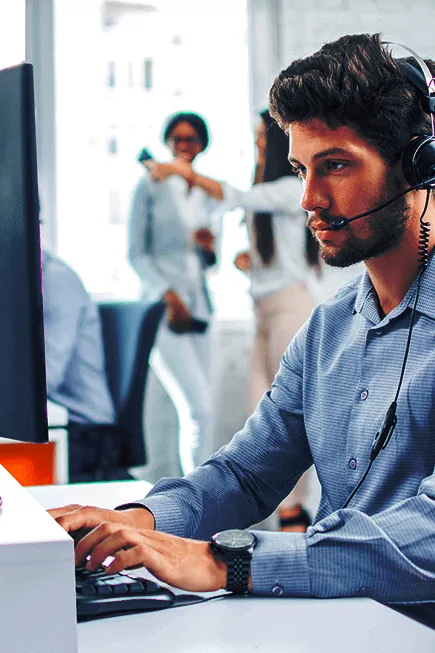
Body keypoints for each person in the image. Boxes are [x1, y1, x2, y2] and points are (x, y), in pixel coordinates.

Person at [49, 34, 435, 603]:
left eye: (334, 166)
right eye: (302, 168)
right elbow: (243, 475)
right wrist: (138, 521)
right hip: (340, 627)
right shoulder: (329, 329)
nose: (309, 198)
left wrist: (224, 563)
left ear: (420, 163)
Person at [228, 110, 314, 531]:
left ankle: (294, 514)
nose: (259, 144)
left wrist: (182, 175)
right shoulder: (268, 193)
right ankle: (276, 518)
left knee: (292, 423)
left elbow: (236, 196)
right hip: (263, 311)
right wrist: (246, 261)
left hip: (290, 309)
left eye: (263, 137)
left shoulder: (288, 187)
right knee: (256, 417)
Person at [128, 112, 220, 474]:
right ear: (167, 141)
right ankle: (198, 498)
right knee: (197, 408)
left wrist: (210, 249)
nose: (184, 146)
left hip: (201, 310)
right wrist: (167, 294)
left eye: (192, 139)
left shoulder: (205, 191)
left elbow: (209, 263)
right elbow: (136, 254)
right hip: (163, 310)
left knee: (205, 410)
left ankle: (201, 494)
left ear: (202, 144)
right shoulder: (149, 185)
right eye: (178, 139)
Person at [42, 249, 127, 482]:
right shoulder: (16, 278)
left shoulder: (55, 281)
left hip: (86, 435)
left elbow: (45, 377)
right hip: (59, 426)